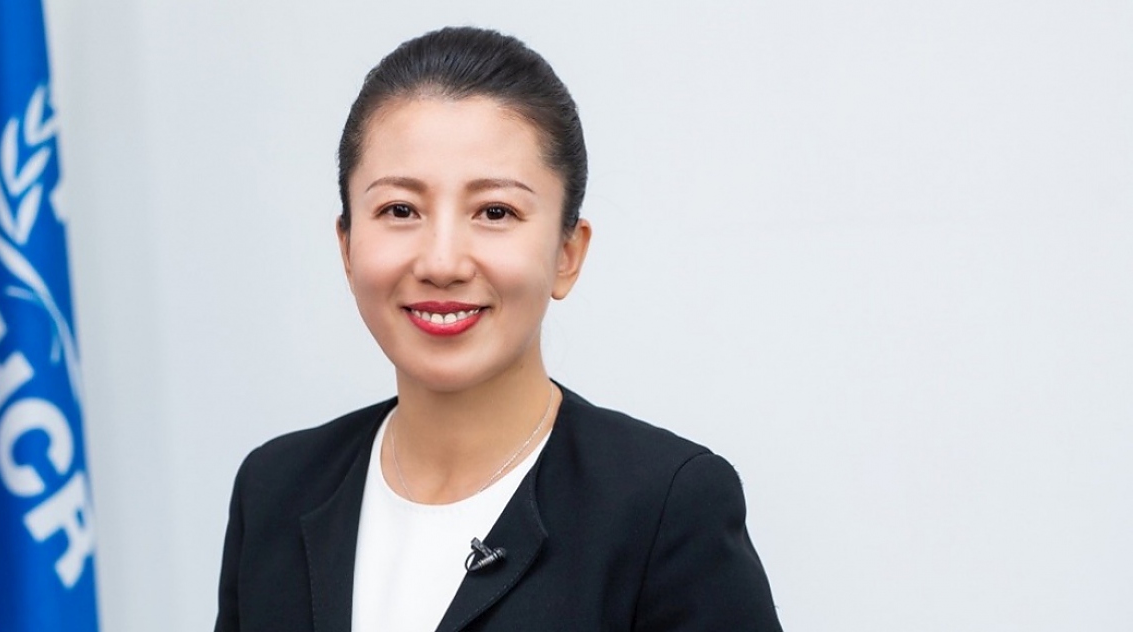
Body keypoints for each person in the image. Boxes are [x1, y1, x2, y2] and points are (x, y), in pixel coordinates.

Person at [215, 26, 781, 632]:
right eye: (400, 210)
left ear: (567, 253)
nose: (442, 263)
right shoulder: (275, 489)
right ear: (347, 246)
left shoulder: (666, 509)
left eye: (495, 211)